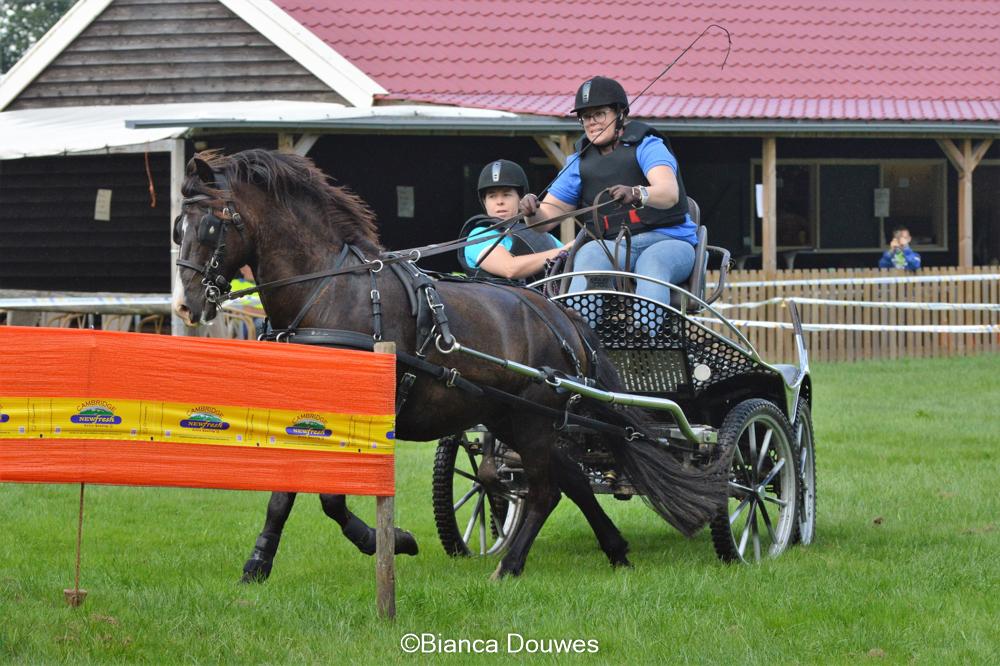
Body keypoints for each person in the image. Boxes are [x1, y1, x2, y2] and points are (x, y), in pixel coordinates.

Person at [518, 76, 698, 306]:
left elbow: (669, 193)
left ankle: (649, 334)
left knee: (651, 264)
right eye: (585, 117)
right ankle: (580, 337)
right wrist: (532, 212)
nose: (591, 122)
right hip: (613, 246)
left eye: (599, 114)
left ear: (620, 114)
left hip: (669, 241)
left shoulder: (648, 146)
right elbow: (545, 221)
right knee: (587, 258)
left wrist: (636, 193)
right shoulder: (578, 162)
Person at [458, 159, 564, 282]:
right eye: (492, 196)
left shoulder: (545, 236)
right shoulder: (479, 235)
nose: (499, 202)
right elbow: (509, 268)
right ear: (484, 203)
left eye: (507, 194)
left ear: (521, 199)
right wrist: (563, 251)